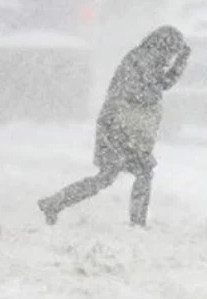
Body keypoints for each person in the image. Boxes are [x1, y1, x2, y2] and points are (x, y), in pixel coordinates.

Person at [38, 25, 191, 227]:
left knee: (116, 176)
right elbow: (145, 91)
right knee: (123, 174)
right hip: (118, 127)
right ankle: (136, 222)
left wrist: (181, 62)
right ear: (164, 47)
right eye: (172, 52)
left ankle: (55, 203)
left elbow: (162, 84)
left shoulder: (146, 59)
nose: (171, 58)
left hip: (125, 126)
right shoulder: (142, 60)